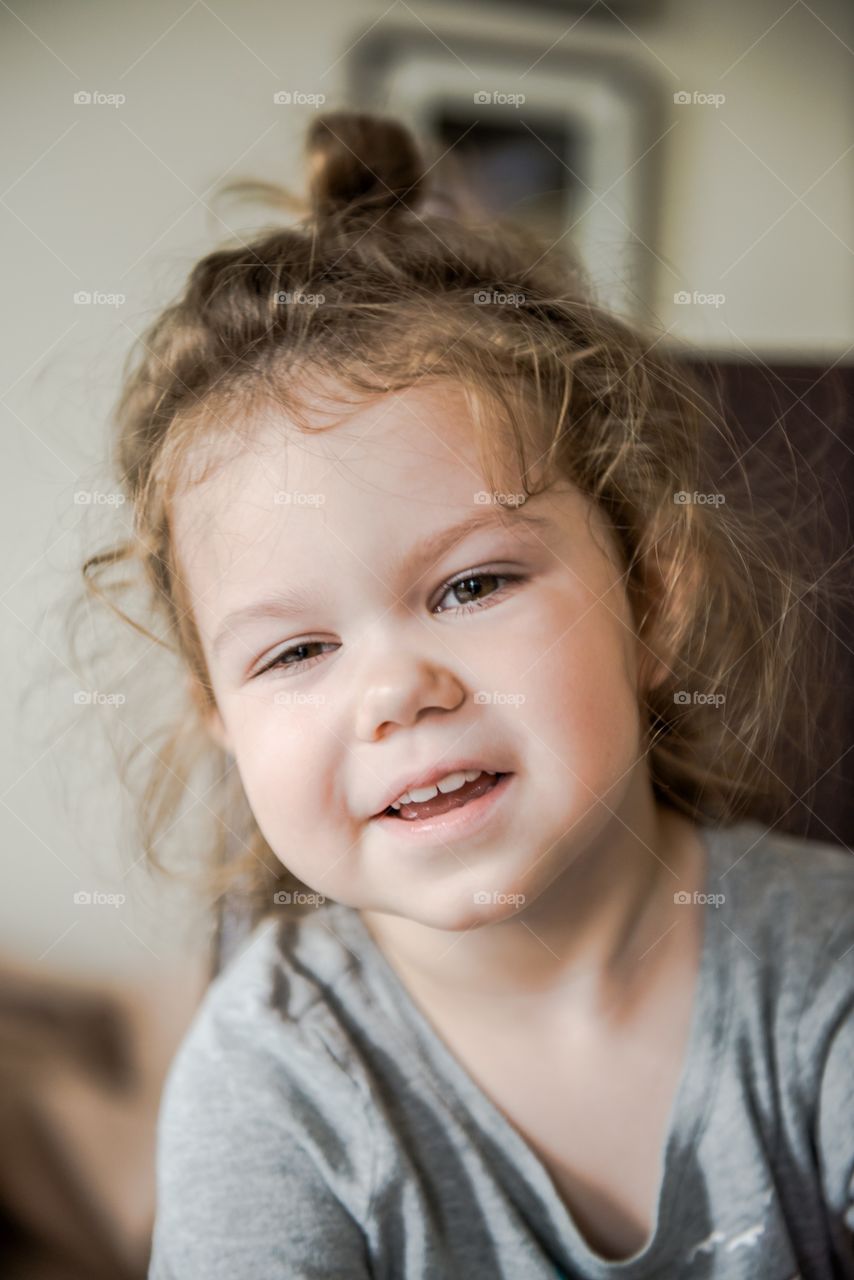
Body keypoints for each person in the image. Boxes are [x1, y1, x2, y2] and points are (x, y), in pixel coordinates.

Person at [80, 110, 853, 1278]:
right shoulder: (272, 1081)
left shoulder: (824, 970)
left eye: (471, 582)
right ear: (220, 722)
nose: (395, 689)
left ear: (650, 600)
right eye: (294, 653)